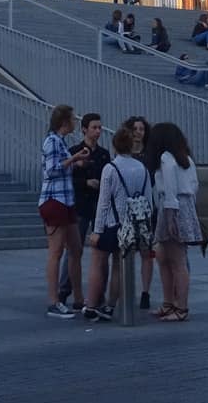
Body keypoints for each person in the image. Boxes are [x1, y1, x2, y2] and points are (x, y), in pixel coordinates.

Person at [82, 124, 152, 322]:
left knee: (98, 261)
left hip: (112, 224)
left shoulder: (110, 168)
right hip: (134, 225)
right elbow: (149, 200)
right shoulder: (142, 169)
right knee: (119, 265)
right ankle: (111, 306)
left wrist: (96, 230)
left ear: (115, 146)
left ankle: (91, 305)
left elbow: (103, 202)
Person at [146, 121, 201, 321]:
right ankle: (171, 303)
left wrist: (170, 215)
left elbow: (169, 188)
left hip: (171, 206)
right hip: (183, 205)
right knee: (167, 256)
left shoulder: (166, 159)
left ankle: (180, 307)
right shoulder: (186, 159)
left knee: (176, 259)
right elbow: (194, 186)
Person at [40, 105, 88, 318]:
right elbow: (51, 170)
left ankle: (79, 298)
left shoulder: (60, 142)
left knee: (76, 249)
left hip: (66, 201)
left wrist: (75, 162)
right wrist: (74, 158)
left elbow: (63, 166)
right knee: (56, 251)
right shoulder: (51, 141)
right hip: (55, 200)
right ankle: (53, 301)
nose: (75, 122)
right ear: (64, 122)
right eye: (73, 119)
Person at [64, 113, 111, 311]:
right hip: (81, 204)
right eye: (94, 127)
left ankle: (99, 293)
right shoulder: (74, 151)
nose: (98, 131)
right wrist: (85, 182)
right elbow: (67, 179)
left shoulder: (103, 154)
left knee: (102, 249)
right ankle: (65, 289)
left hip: (99, 206)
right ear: (84, 129)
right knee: (74, 249)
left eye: (100, 128)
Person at [122, 116, 156, 309]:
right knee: (126, 249)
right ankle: (125, 288)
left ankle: (145, 292)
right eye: (134, 129)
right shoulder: (123, 154)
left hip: (146, 208)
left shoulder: (150, 155)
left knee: (146, 251)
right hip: (127, 208)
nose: (137, 132)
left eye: (141, 129)